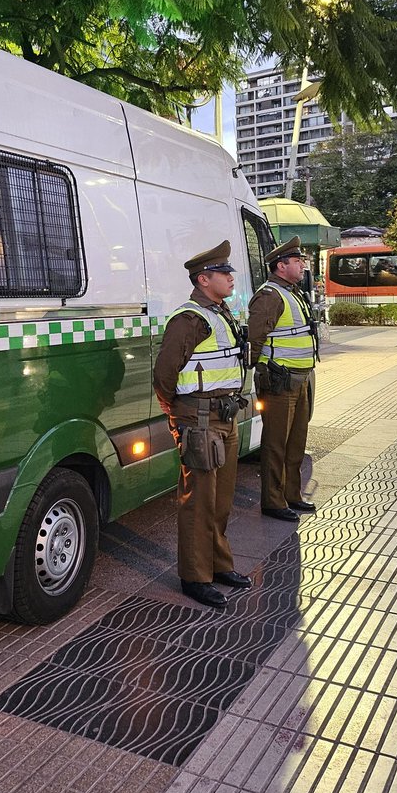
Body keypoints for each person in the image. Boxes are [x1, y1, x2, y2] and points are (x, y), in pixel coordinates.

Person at [153, 240, 251, 609]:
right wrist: (179, 416)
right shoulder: (188, 319)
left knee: (221, 500)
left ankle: (219, 565)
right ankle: (195, 577)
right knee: (199, 502)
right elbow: (164, 375)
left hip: (223, 416)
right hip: (200, 419)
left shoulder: (220, 313)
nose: (230, 278)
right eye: (224, 273)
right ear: (204, 278)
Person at [248, 235, 318, 523]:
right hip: (279, 382)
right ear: (280, 266)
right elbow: (254, 340)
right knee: (276, 444)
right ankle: (273, 501)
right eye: (297, 261)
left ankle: (291, 494)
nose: (302, 265)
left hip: (298, 380)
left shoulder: (292, 292)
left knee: (295, 443)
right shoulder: (269, 296)